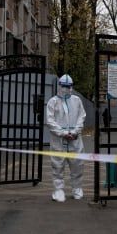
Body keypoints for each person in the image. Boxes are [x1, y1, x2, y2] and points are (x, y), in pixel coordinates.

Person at [45, 74, 87, 202]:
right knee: (57, 166)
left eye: (68, 86)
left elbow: (82, 117)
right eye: (64, 86)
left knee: (77, 165)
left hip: (75, 139)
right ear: (59, 86)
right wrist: (62, 133)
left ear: (71, 87)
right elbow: (50, 121)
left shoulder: (76, 100)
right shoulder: (53, 102)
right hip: (59, 140)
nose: (66, 89)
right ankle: (58, 190)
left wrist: (75, 131)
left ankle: (77, 189)